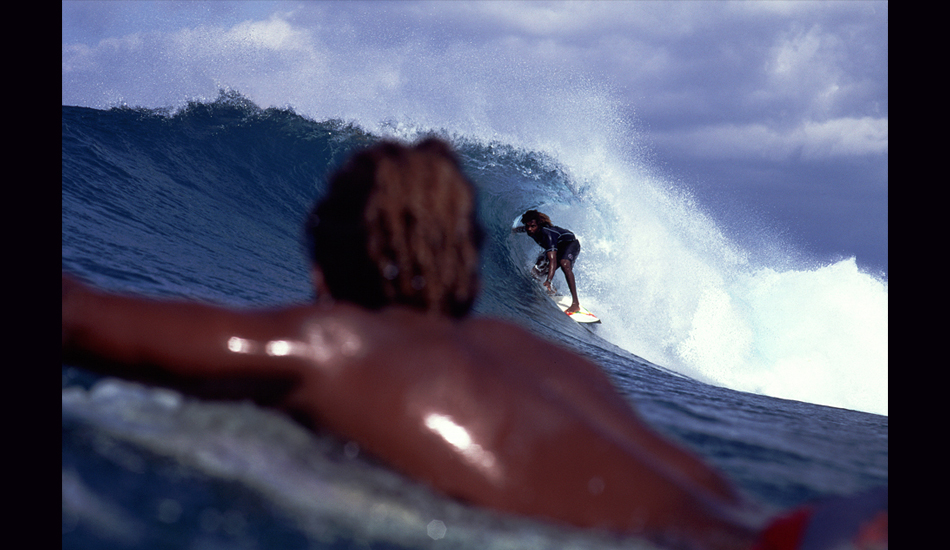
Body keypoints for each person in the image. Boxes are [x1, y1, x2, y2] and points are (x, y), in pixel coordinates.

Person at [61, 138, 884, 550]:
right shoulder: (545, 361)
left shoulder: (329, 344)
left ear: (325, 256)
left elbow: (75, 315)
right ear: (467, 265)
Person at [514, 210, 582, 314]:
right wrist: (512, 230)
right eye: (527, 226)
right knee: (536, 272)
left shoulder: (548, 235)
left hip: (570, 245)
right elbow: (522, 229)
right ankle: (552, 290)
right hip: (556, 247)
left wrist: (549, 279)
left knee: (564, 264)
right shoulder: (530, 229)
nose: (530, 229)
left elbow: (553, 261)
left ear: (538, 225)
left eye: (532, 226)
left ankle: (575, 304)